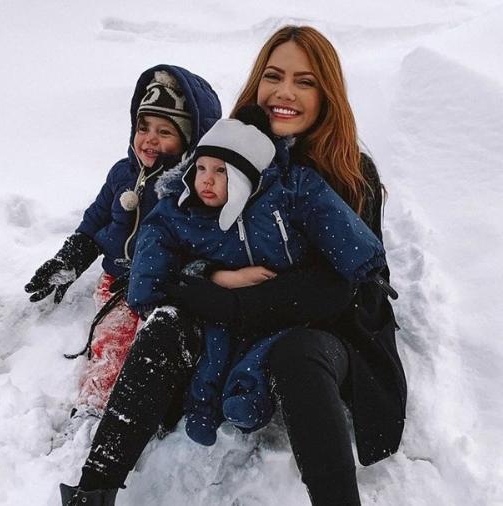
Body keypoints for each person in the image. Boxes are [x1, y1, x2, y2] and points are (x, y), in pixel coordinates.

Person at [59, 26, 406, 506]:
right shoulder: (225, 151)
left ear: (327, 95)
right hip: (226, 315)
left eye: (304, 82)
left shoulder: (349, 172)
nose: (284, 93)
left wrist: (231, 302)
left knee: (299, 354)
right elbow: (170, 237)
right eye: (274, 76)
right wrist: (208, 278)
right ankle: (92, 490)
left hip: (321, 329)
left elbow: (343, 286)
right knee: (165, 324)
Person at [127, 105, 388, 447]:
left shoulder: (283, 196)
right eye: (201, 168)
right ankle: (202, 407)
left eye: (220, 171)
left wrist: (364, 262)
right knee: (214, 350)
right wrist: (155, 289)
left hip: (277, 302)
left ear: (244, 177)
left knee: (264, 352)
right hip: (223, 307)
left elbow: (328, 215)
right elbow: (158, 236)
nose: (206, 179)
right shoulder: (194, 212)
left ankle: (248, 400)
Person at [24, 65, 221, 413]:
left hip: (163, 285)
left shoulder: (189, 190)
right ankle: (93, 406)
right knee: (112, 342)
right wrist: (69, 259)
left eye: (165, 131)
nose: (150, 139)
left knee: (151, 347)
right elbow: (96, 221)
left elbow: (203, 241)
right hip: (116, 281)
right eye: (143, 127)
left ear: (189, 140)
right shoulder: (121, 174)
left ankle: (153, 406)